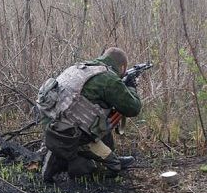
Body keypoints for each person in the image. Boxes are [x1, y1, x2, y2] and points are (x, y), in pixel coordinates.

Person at [37, 47, 142, 182]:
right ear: (122, 68)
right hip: (72, 135)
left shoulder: (79, 68)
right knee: (113, 167)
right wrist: (131, 87)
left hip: (51, 126)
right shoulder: (109, 78)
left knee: (102, 114)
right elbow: (133, 108)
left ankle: (58, 153)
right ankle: (69, 162)